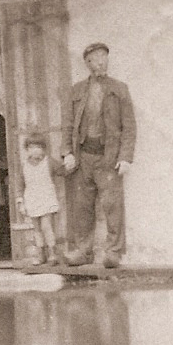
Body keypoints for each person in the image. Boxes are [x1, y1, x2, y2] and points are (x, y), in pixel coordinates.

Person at [61, 42, 136, 268]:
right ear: (87, 63)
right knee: (82, 207)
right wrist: (67, 153)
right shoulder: (77, 91)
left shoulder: (119, 89)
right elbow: (68, 125)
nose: (100, 62)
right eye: (94, 58)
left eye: (103, 57)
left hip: (109, 157)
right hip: (83, 156)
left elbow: (129, 127)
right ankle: (83, 252)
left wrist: (125, 157)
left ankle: (113, 252)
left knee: (112, 205)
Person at [15, 134, 65, 265]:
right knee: (36, 228)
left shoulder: (49, 162)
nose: (35, 150)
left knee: (46, 226)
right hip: (32, 199)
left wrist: (68, 161)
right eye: (31, 147)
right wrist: (21, 202)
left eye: (38, 147)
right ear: (27, 149)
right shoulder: (24, 165)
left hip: (46, 197)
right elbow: (20, 185)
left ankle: (52, 253)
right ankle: (40, 254)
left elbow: (62, 170)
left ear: (43, 149)